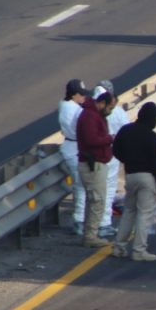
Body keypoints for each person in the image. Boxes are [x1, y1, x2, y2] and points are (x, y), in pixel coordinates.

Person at [111, 102, 156, 262]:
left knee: (129, 211)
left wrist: (127, 160)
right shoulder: (152, 137)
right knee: (144, 214)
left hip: (131, 175)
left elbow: (116, 150)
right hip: (148, 178)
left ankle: (118, 247)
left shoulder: (126, 130)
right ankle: (139, 250)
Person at [92, 79, 130, 238]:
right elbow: (127, 133)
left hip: (91, 155)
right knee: (107, 190)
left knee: (92, 191)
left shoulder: (88, 110)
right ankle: (104, 224)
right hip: (110, 156)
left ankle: (89, 224)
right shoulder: (118, 112)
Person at [76, 90, 115, 248]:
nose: (110, 111)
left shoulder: (93, 115)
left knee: (94, 200)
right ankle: (91, 235)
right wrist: (110, 138)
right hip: (92, 164)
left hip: (96, 163)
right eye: (110, 107)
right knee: (97, 200)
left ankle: (90, 233)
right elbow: (91, 139)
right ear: (103, 103)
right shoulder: (90, 116)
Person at [58, 79, 89, 236]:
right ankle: (79, 220)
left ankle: (80, 218)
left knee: (80, 186)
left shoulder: (64, 106)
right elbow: (82, 130)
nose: (83, 97)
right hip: (75, 149)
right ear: (74, 94)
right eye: (81, 95)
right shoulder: (75, 110)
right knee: (81, 186)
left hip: (69, 147)